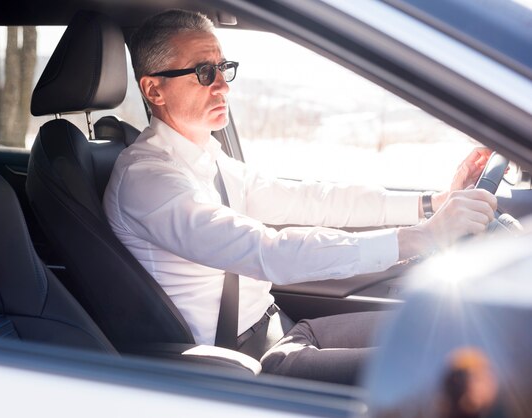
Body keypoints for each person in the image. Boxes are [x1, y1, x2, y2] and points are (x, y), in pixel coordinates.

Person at [103, 9, 497, 385]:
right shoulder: (148, 179)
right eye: (205, 72)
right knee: (450, 363)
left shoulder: (206, 157)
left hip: (284, 328)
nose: (222, 84)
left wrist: (430, 203)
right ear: (154, 89)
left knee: (447, 323)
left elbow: (310, 199)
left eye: (223, 69)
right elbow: (268, 251)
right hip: (243, 363)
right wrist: (419, 238)